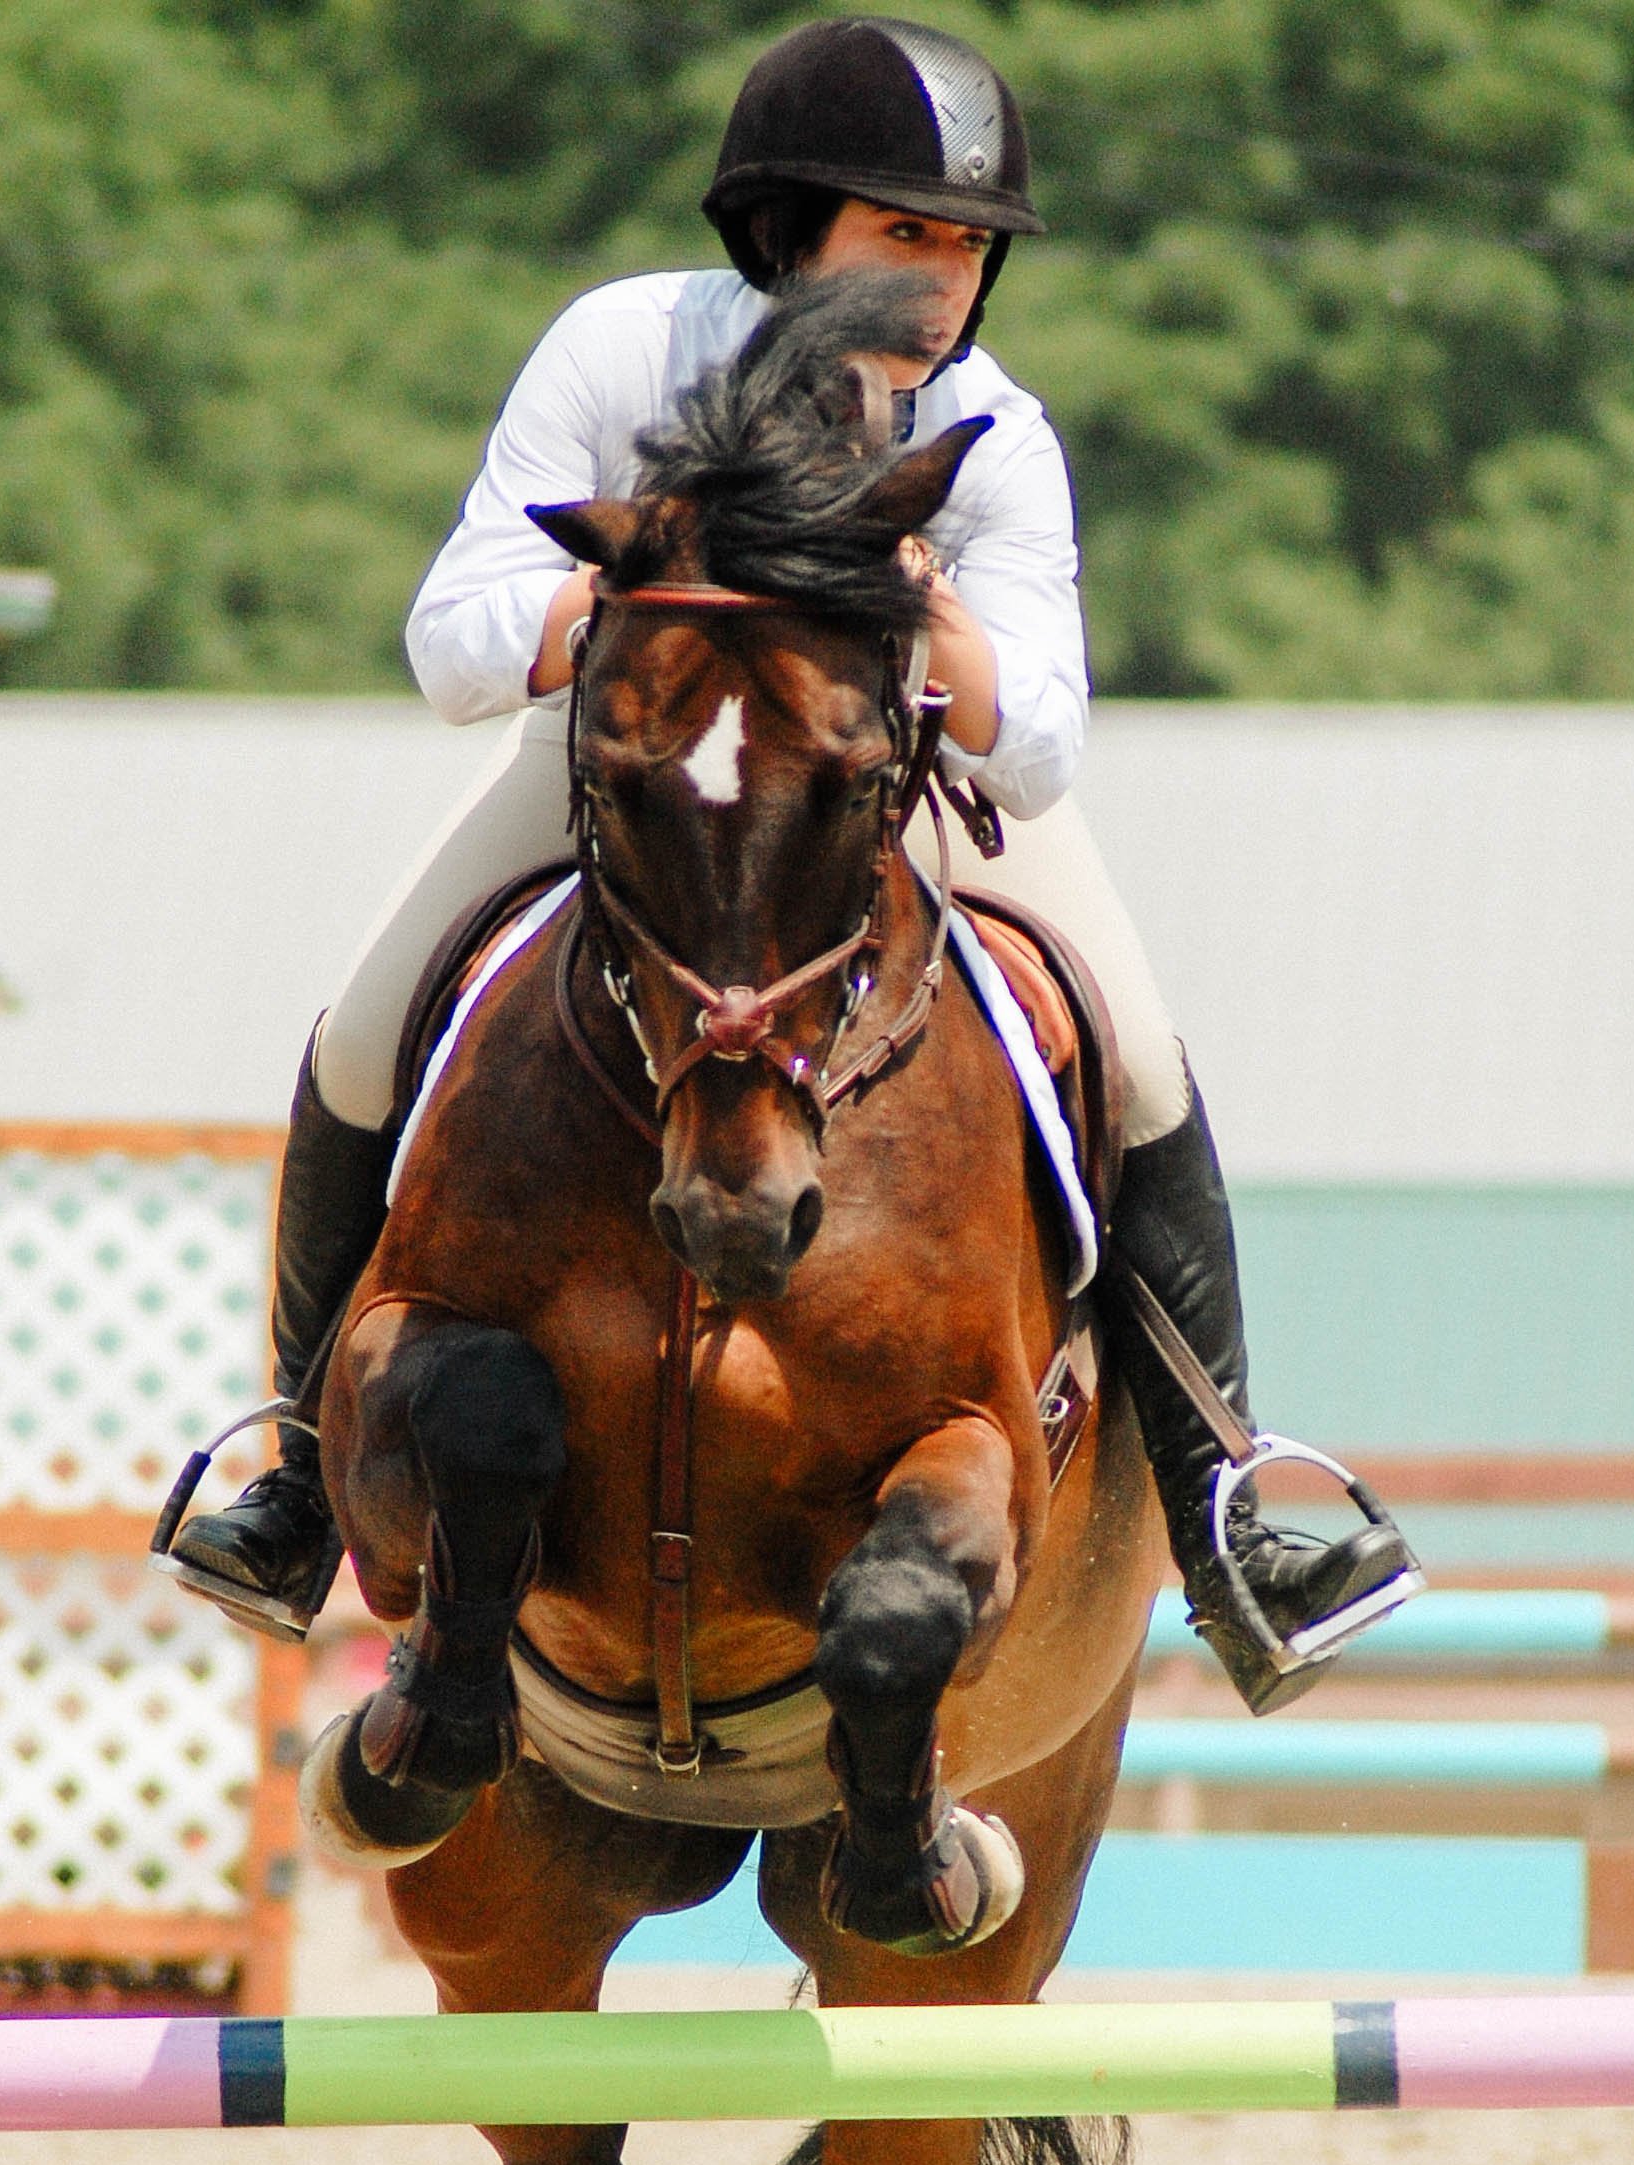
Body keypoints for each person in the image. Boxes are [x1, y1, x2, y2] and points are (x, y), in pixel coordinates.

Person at [164, 14, 1418, 1712]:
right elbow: (452, 645)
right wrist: (642, 595)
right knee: (364, 1031)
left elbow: (1035, 742)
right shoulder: (621, 349)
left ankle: (1223, 1518)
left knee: (1131, 1054)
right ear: (787, 229)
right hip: (643, 770)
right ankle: (301, 1478)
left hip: (901, 795)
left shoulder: (995, 430)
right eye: (907, 233)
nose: (945, 278)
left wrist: (935, 609)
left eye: (967, 244)